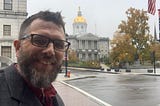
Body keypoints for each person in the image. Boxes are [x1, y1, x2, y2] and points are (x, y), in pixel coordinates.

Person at [0, 10, 70, 106]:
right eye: (40, 40)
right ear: (18, 47)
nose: (50, 51)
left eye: (59, 44)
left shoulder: (55, 99)